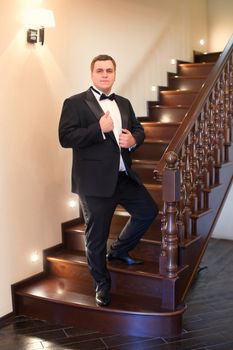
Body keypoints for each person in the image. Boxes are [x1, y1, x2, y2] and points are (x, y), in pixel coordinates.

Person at [59, 54, 158, 307]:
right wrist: (97, 130)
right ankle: (101, 285)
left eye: (109, 70)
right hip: (94, 183)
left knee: (148, 211)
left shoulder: (123, 102)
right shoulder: (74, 103)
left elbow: (138, 128)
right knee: (96, 238)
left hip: (124, 177)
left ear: (115, 74)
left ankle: (119, 250)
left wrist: (135, 140)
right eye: (100, 70)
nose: (105, 74)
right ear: (92, 74)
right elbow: (65, 138)